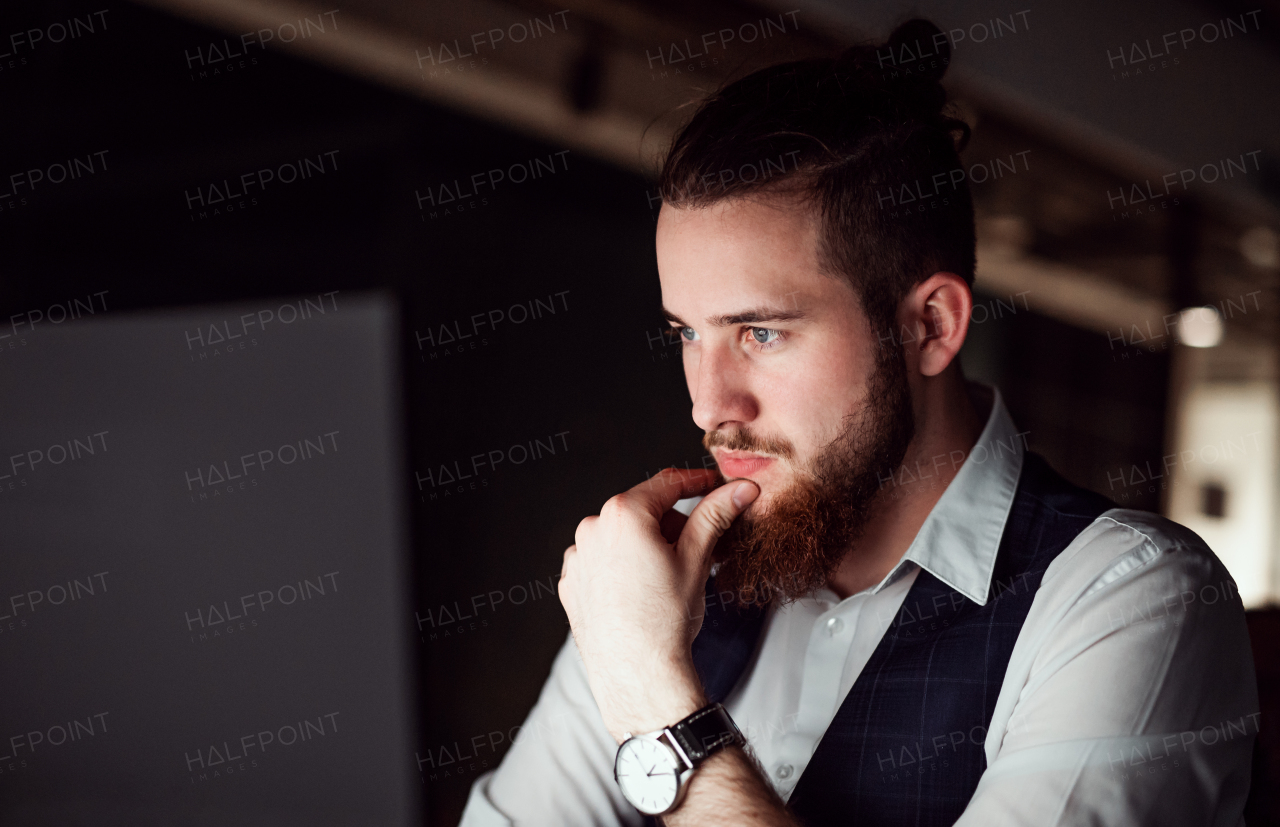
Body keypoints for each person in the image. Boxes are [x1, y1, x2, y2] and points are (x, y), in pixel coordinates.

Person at [459, 19, 1258, 826]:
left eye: (760, 333)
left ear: (932, 326)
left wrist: (655, 698)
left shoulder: (1131, 600)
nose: (708, 405)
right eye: (687, 334)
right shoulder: (663, 573)